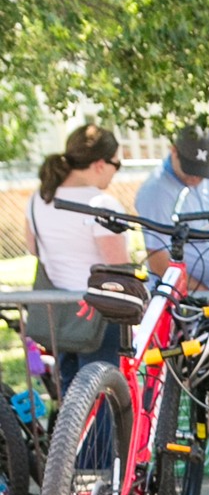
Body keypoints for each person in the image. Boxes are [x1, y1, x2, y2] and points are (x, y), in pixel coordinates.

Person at [22, 124, 134, 386]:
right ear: (98, 164)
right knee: (104, 402)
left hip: (58, 314)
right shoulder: (101, 205)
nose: (115, 173)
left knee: (72, 400)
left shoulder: (39, 200)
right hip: (98, 316)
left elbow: (33, 249)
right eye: (116, 165)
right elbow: (118, 268)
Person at [135, 127, 209, 288]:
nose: (196, 178)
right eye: (190, 170)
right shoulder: (156, 192)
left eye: (202, 172)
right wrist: (205, 295)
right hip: (182, 294)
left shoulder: (208, 180)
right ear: (174, 151)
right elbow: (158, 261)